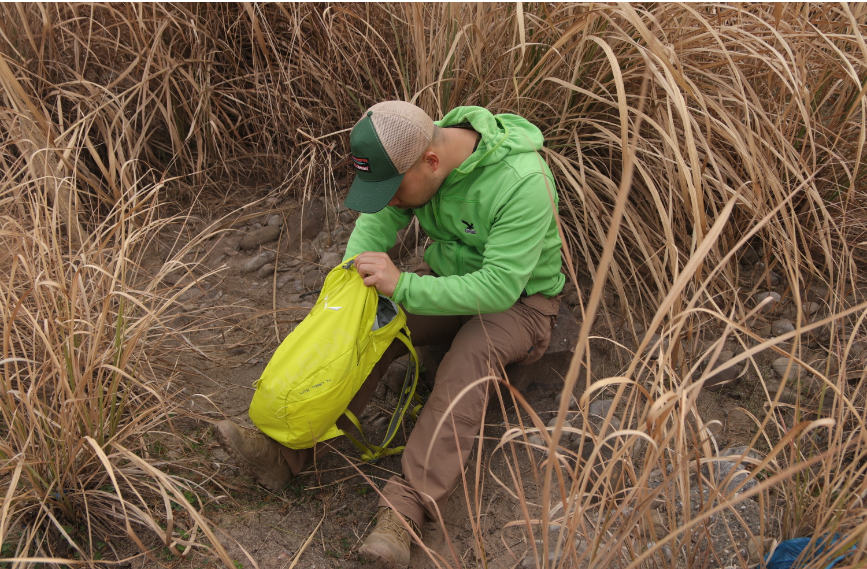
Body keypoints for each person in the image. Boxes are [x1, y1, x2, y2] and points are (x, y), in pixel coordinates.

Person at [214, 101, 564, 568]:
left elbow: (499, 287)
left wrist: (403, 285)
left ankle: (406, 511)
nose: (390, 200)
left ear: (432, 163)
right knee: (371, 319)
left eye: (393, 189)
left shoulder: (523, 182)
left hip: (520, 304)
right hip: (444, 281)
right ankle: (287, 453)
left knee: (469, 357)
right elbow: (377, 223)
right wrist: (349, 288)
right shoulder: (418, 159)